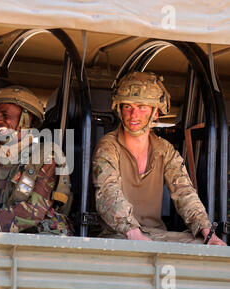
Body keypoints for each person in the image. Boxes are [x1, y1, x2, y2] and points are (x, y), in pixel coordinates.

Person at [92, 71, 226, 246]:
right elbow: (108, 193)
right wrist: (133, 232)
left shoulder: (164, 149)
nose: (133, 115)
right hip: (118, 233)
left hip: (156, 234)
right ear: (119, 109)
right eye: (128, 106)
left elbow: (184, 192)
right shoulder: (108, 146)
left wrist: (207, 232)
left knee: (205, 247)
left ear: (155, 112)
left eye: (142, 107)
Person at [0, 85, 73, 235]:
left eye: (5, 115)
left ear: (27, 118)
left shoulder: (46, 155)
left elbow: (35, 211)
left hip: (35, 242)